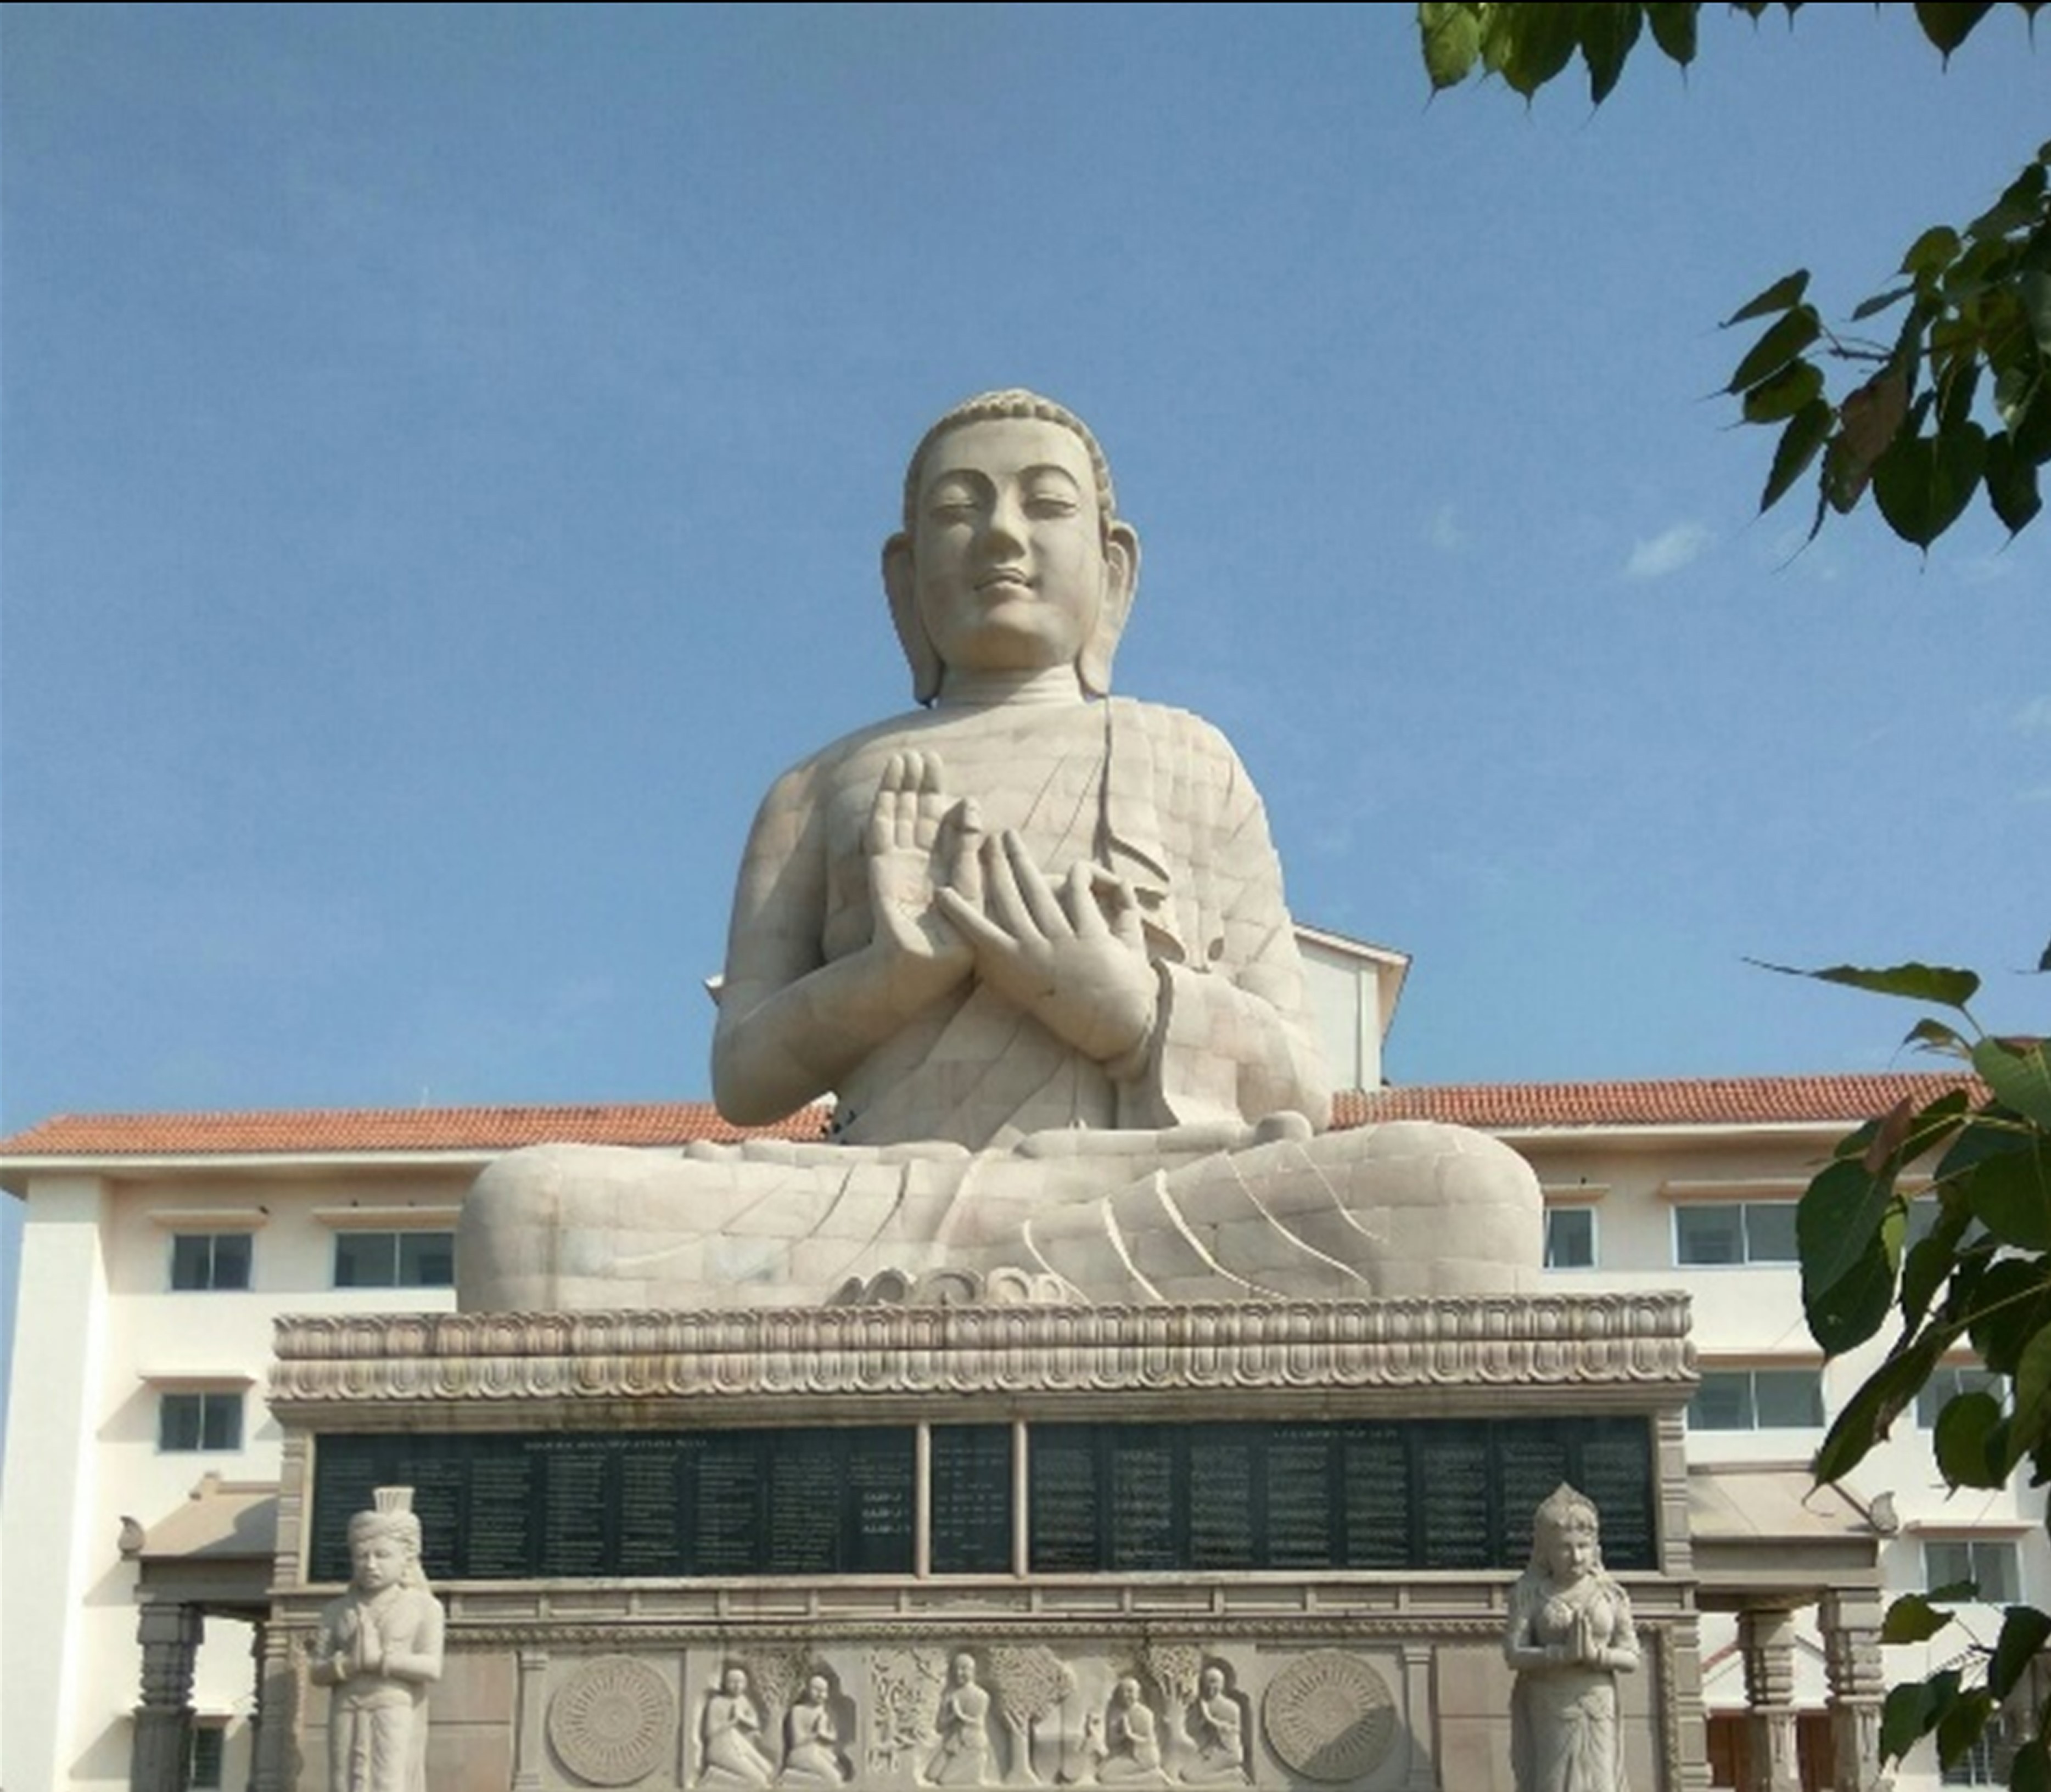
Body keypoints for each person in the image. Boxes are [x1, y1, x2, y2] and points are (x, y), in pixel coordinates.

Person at [456, 390, 1543, 1312]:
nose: (1002, 537)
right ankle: (985, 1275)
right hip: (868, 1199)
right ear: (904, 572)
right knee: (525, 1209)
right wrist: (890, 978)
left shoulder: (1185, 755)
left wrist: (1119, 1003)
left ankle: (975, 1281)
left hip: (1131, 1191)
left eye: (1044, 504)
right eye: (957, 511)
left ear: (1112, 566)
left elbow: (1300, 1084)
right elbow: (744, 1077)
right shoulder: (814, 787)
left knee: (1463, 1190)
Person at [1503, 1484, 1639, 1792]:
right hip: (1551, 1700)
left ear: (1595, 1548)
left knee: (1601, 1781)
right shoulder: (1530, 1593)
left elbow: (1631, 1655)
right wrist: (1558, 1655)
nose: (1575, 1556)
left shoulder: (1610, 1594)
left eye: (1583, 1546)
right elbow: (1513, 1653)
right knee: (1552, 1781)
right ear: (1546, 1552)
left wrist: (1597, 1656)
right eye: (1565, 1548)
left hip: (1596, 1699)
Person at [307, 1492, 445, 1792]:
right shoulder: (336, 1610)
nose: (370, 1565)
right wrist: (345, 1665)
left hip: (392, 1703)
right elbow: (317, 1670)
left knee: (388, 1781)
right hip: (347, 1704)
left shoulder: (424, 1607)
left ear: (405, 1559)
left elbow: (432, 1667)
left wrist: (380, 1661)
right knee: (344, 1781)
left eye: (382, 1555)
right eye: (362, 1556)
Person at [703, 1666, 777, 1786]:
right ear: (725, 1683)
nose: (737, 1686)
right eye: (733, 1682)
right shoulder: (716, 1703)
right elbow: (709, 1733)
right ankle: (715, 1778)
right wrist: (733, 1722)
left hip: (740, 1744)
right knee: (759, 1781)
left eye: (741, 1682)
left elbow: (755, 1724)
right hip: (721, 1748)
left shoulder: (743, 1701)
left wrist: (742, 1719)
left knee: (769, 1771)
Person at [928, 1652, 993, 1786]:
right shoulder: (950, 1696)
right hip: (953, 1744)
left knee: (943, 1781)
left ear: (973, 1671)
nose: (959, 1673)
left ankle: (976, 1769)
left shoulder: (982, 1696)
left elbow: (978, 1724)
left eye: (964, 1669)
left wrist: (960, 1715)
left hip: (973, 1744)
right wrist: (952, 1716)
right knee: (930, 1776)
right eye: (956, 1669)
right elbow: (940, 1726)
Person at [1179, 1666, 1246, 1785]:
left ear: (1222, 1684)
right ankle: (1228, 1776)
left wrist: (1209, 1718)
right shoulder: (1203, 1704)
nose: (1211, 1686)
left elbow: (1233, 1731)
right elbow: (1195, 1731)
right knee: (1185, 1772)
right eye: (1208, 1682)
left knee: (1191, 1777)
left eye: (1215, 1682)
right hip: (1209, 1752)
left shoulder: (1231, 1707)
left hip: (1228, 1752)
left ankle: (1234, 1775)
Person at [782, 1674, 850, 1784]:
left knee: (841, 1773)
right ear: (808, 1690)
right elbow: (797, 1741)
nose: (820, 1694)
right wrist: (816, 1734)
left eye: (824, 1691)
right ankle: (793, 1778)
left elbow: (832, 1737)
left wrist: (825, 1734)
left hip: (820, 1750)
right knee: (835, 1779)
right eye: (816, 1690)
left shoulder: (824, 1711)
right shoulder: (798, 1711)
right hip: (801, 1753)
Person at [1099, 1678, 1164, 1782]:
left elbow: (1149, 1741)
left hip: (1144, 1757)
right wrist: (1121, 1735)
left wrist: (1130, 1735)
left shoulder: (1145, 1714)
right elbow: (1111, 1742)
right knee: (1102, 1773)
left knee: (1106, 1778)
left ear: (1138, 1694)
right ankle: (1149, 1777)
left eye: (1130, 1691)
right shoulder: (1117, 1713)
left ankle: (1153, 1777)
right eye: (1123, 1692)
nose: (1126, 1695)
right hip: (1127, 1756)